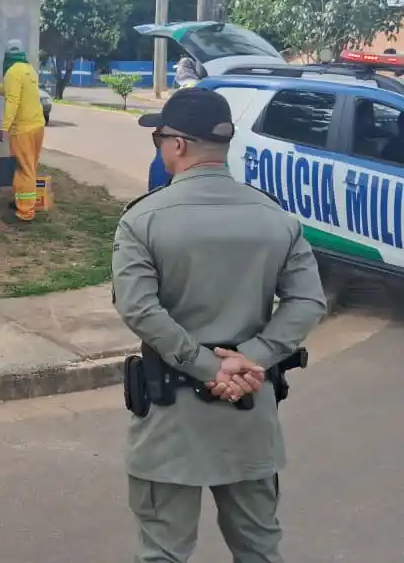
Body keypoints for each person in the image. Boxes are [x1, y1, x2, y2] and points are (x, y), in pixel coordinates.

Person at [112, 87, 327, 562]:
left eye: (159, 139)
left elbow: (139, 308)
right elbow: (308, 300)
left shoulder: (143, 220)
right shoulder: (276, 218)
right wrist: (253, 356)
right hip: (249, 410)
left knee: (163, 553)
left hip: (171, 419)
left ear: (177, 144)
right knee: (259, 548)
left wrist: (208, 367)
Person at [0, 39, 47, 223]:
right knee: (30, 168)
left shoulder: (13, 71)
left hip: (23, 130)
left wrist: (4, 128)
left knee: (23, 170)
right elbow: (8, 90)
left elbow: (12, 101)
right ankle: (23, 202)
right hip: (37, 126)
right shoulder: (29, 70)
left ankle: (25, 213)